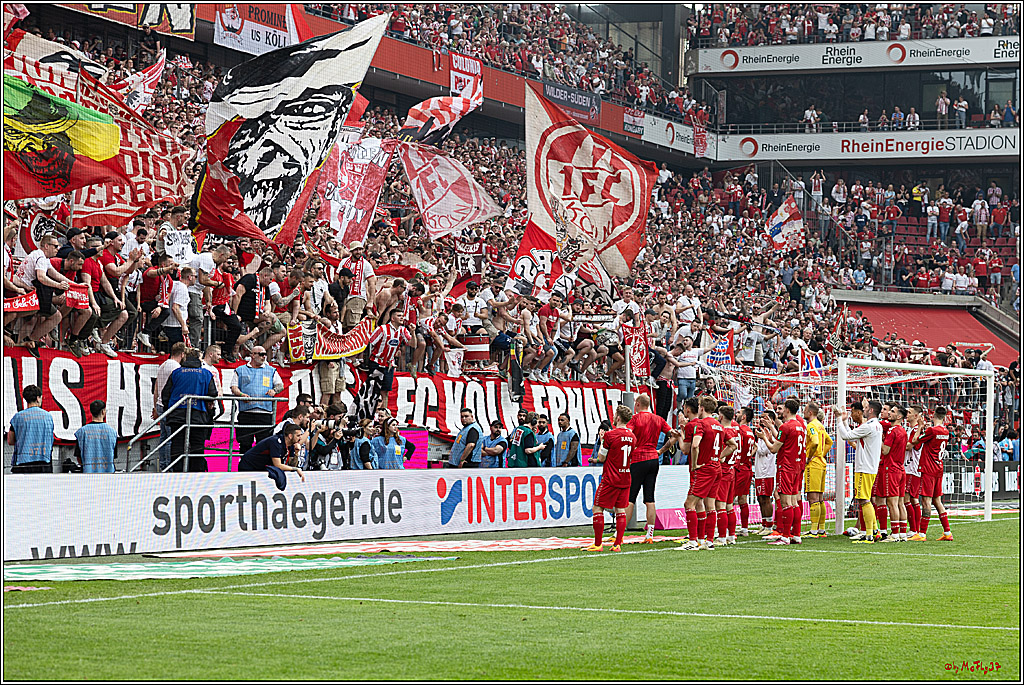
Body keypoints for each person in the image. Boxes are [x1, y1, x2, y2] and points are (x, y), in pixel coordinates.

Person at [678, 396, 729, 551]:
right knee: (710, 505)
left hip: (704, 469)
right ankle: (708, 540)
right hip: (716, 468)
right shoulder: (719, 426)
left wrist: (695, 464)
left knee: (689, 504)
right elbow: (732, 444)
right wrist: (719, 457)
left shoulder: (700, 424)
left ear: (701, 408)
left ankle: (693, 541)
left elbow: (694, 445)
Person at [624, 393, 676, 543]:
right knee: (650, 498)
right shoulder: (658, 419)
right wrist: (661, 450)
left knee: (630, 497)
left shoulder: (635, 419)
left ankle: (620, 533)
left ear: (638, 404)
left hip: (638, 459)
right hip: (654, 459)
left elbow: (627, 434)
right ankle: (650, 534)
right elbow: (674, 435)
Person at [756, 398, 807, 546]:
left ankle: (785, 536)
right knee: (794, 502)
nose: (781, 411)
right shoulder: (800, 426)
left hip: (786, 467)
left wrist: (764, 437)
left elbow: (773, 449)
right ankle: (796, 535)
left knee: (785, 503)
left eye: (782, 408)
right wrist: (772, 427)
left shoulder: (786, 427)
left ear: (787, 410)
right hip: (797, 467)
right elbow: (784, 438)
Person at [586, 405, 636, 553]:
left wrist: (602, 440)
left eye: (615, 415)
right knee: (620, 509)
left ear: (618, 418)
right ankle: (617, 544)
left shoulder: (610, 435)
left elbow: (601, 458)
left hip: (610, 477)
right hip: (625, 477)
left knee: (597, 508)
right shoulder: (632, 437)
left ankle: (597, 544)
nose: (613, 417)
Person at [161, 348, 218, 472]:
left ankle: (177, 473)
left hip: (177, 414)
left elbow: (165, 394)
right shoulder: (206, 373)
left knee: (177, 444)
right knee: (197, 445)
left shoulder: (176, 373)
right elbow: (213, 393)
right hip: (199, 415)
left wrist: (169, 410)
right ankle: (196, 474)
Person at [836, 399, 883, 543]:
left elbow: (846, 436)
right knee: (866, 499)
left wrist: (838, 420)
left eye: (866, 407)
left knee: (864, 500)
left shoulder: (868, 426)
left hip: (864, 468)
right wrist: (844, 422)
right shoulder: (876, 425)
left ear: (871, 411)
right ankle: (875, 531)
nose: (864, 409)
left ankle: (869, 535)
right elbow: (853, 435)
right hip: (870, 467)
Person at [910, 405, 953, 541]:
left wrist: (920, 427)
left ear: (933, 415)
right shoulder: (945, 431)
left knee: (926, 501)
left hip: (928, 468)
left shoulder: (932, 430)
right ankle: (947, 532)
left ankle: (921, 534)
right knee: (937, 501)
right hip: (939, 467)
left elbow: (915, 441)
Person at [230, 346, 284, 454]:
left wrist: (274, 390)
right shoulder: (240, 370)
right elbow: (233, 387)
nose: (264, 356)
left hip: (265, 412)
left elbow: (280, 385)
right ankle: (244, 467)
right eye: (261, 354)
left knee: (264, 443)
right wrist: (241, 394)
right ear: (253, 355)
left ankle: (260, 467)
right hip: (246, 413)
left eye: (265, 354)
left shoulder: (271, 370)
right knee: (245, 442)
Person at [7, 385, 54, 473]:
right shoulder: (48, 417)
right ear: (37, 398)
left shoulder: (18, 417)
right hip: (44, 461)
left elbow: (10, 440)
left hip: (23, 462)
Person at [879, 404, 909, 542]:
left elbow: (885, 450)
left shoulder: (892, 431)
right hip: (901, 469)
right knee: (900, 503)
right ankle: (903, 533)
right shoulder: (903, 431)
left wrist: (877, 439)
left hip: (890, 469)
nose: (889, 413)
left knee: (892, 503)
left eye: (892, 411)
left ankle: (894, 534)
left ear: (899, 417)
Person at [803, 402, 832, 537]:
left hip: (813, 464)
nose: (803, 412)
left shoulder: (811, 426)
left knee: (813, 497)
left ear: (810, 413)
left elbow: (814, 442)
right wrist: (821, 453)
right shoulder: (820, 426)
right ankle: (821, 529)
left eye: (804, 410)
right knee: (819, 498)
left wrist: (809, 456)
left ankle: (814, 531)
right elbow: (829, 442)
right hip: (821, 462)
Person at [237, 423, 306, 482]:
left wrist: (296, 453)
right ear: (290, 436)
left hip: (259, 468)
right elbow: (278, 465)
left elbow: (292, 465)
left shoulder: (291, 445)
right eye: (298, 435)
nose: (300, 438)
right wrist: (296, 469)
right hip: (248, 466)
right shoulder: (275, 442)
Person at [713, 405, 741, 545]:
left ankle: (722, 537)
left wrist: (719, 457)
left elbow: (730, 448)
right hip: (733, 470)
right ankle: (731, 535)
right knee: (729, 505)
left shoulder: (723, 431)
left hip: (723, 470)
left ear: (721, 416)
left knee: (721, 506)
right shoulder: (737, 431)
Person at [732, 407, 757, 536]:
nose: (736, 414)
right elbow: (755, 447)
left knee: (728, 500)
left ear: (744, 417)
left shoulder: (740, 430)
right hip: (747, 467)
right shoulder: (750, 432)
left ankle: (726, 531)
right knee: (743, 500)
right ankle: (745, 529)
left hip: (739, 468)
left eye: (739, 413)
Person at [74, 400, 118, 473]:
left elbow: (78, 457)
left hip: (88, 474)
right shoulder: (112, 432)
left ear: (91, 412)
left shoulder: (82, 432)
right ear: (103, 412)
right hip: (108, 475)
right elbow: (114, 455)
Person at [903, 405, 925, 541]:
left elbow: (910, 445)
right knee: (913, 499)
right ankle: (915, 529)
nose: (907, 414)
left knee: (907, 499)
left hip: (911, 468)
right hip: (909, 467)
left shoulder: (917, 430)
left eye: (910, 413)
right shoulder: (911, 429)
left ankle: (913, 529)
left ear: (916, 416)